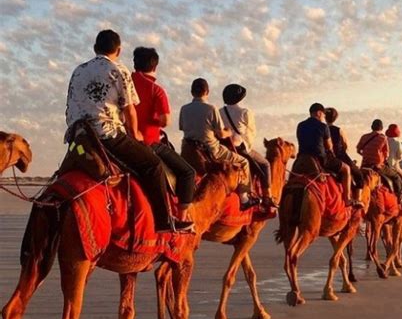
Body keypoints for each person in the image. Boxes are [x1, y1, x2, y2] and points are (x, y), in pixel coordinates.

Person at [65, 29, 189, 232]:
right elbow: (130, 110)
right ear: (119, 50)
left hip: (78, 138)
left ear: (95, 48)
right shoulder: (119, 70)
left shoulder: (78, 70)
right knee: (153, 165)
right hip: (107, 135)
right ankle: (163, 221)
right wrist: (136, 135)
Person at [131, 46, 195, 228]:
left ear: (135, 65)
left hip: (123, 141)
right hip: (149, 143)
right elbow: (165, 120)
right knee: (188, 172)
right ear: (155, 66)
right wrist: (152, 118)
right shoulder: (155, 90)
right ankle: (181, 220)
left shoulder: (124, 83)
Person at [179, 78, 260, 211]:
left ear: (191, 92)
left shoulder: (184, 108)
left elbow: (183, 127)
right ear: (207, 91)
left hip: (187, 150)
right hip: (210, 150)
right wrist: (228, 132)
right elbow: (221, 134)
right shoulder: (211, 108)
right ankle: (244, 198)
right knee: (244, 162)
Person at [219, 83, 277, 209]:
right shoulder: (245, 112)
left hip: (223, 148)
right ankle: (267, 197)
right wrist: (248, 146)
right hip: (240, 148)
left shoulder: (219, 112)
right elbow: (251, 133)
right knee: (265, 164)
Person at [296, 103, 362, 208]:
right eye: (322, 114)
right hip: (319, 158)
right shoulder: (323, 126)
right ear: (318, 113)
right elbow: (329, 146)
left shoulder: (300, 125)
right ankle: (347, 199)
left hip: (301, 158)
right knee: (346, 169)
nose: (323, 117)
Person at [356, 119, 402, 204]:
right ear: (381, 128)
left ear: (371, 127)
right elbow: (386, 155)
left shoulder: (364, 137)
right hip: (378, 166)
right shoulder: (383, 138)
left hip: (365, 165)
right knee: (396, 177)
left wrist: (366, 156)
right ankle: (400, 196)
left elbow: (358, 150)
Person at [324, 107, 364, 204]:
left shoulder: (321, 129)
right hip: (339, 156)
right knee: (359, 175)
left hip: (324, 157)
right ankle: (357, 199)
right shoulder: (339, 130)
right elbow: (345, 146)